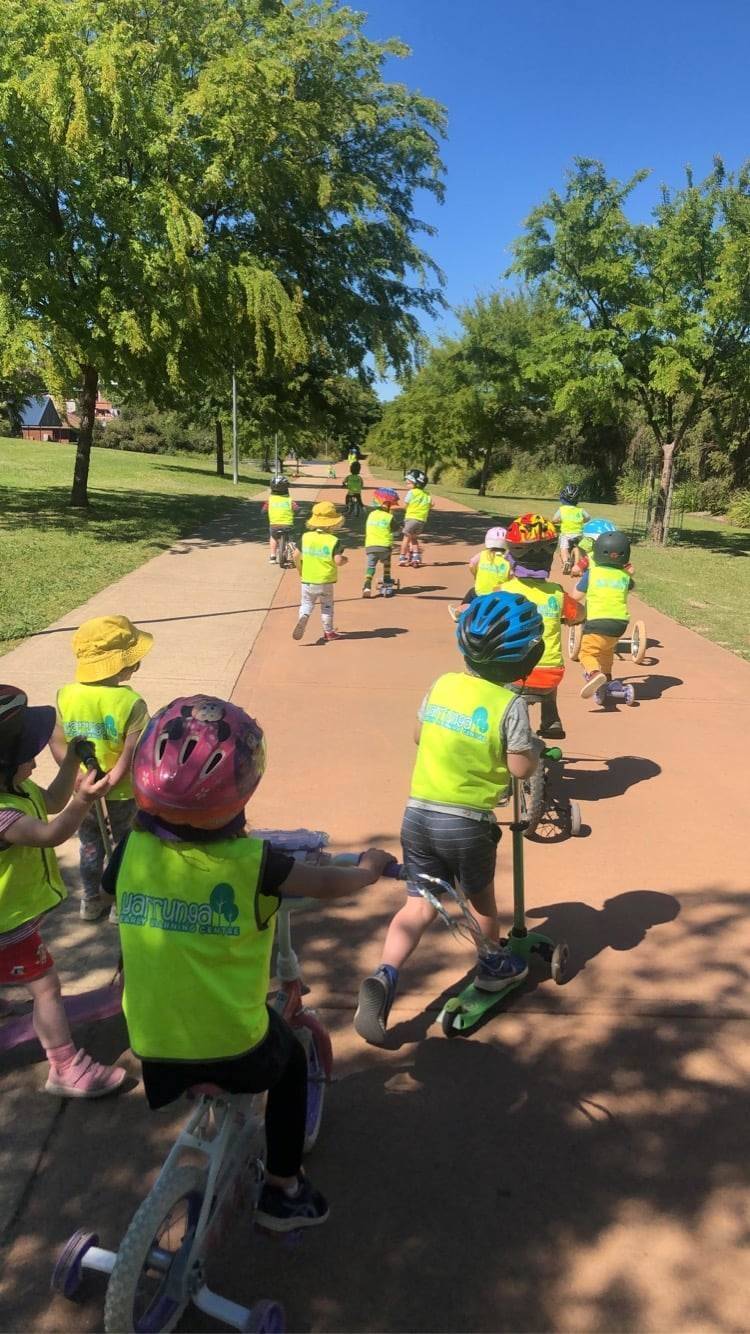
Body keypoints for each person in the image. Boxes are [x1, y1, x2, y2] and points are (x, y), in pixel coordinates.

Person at [101, 694, 394, 1229]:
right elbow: (329, 883)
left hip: (149, 1043)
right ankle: (284, 1190)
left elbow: (109, 892)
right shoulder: (257, 864)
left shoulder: (127, 852)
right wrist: (369, 870)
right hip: (234, 1046)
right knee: (285, 1070)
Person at [354, 592, 545, 1046]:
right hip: (467, 823)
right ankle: (493, 965)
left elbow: (420, 734)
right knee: (481, 906)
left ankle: (385, 973)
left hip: (417, 813)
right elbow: (520, 768)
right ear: (527, 657)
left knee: (418, 902)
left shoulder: (442, 684)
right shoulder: (509, 705)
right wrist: (534, 751)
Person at [0, 685, 126, 1097]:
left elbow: (52, 801)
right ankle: (64, 1067)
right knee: (47, 988)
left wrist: (71, 764)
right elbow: (53, 832)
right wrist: (84, 803)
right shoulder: (3, 814)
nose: (35, 761)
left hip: (12, 917)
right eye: (26, 756)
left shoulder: (15, 791)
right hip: (8, 925)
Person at [50, 615, 152, 921]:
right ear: (121, 664)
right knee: (124, 845)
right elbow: (132, 753)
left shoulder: (66, 694)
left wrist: (77, 777)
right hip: (120, 793)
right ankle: (120, 900)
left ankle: (91, 901)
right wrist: (113, 780)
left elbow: (57, 741)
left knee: (90, 846)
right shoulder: (131, 703)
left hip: (82, 791)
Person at [502, 514, 583, 739]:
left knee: (499, 686)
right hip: (551, 674)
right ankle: (551, 720)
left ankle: (511, 733)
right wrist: (567, 617)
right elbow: (579, 615)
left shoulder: (503, 591)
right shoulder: (557, 593)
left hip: (515, 673)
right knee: (547, 663)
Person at [572, 530, 636, 706]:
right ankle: (607, 679)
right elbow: (630, 585)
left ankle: (594, 674)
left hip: (597, 621)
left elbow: (576, 596)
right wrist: (629, 573)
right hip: (619, 624)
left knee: (587, 652)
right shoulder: (624, 576)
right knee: (607, 650)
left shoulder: (592, 573)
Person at [292, 501, 347, 642]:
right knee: (327, 606)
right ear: (334, 523)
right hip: (325, 581)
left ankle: (304, 616)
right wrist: (345, 559)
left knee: (306, 603)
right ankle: (329, 632)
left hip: (307, 579)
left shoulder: (306, 537)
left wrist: (300, 569)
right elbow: (338, 560)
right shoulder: (334, 540)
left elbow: (295, 555)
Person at [448, 526, 510, 620]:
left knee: (472, 592)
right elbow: (512, 576)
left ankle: (460, 612)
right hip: (499, 596)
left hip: (480, 592)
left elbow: (472, 564)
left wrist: (476, 575)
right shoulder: (508, 560)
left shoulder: (483, 554)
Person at [362, 488, 399, 597]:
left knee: (371, 566)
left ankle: (367, 586)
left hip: (370, 546)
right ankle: (387, 581)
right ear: (387, 504)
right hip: (385, 547)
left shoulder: (371, 514)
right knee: (386, 563)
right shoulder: (389, 517)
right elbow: (396, 530)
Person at [399, 468, 432, 568]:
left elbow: (405, 505)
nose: (406, 484)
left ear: (416, 484)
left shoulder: (412, 493)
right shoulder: (427, 494)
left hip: (411, 518)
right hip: (421, 520)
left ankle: (402, 557)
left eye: (409, 483)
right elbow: (431, 504)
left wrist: (397, 507)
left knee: (406, 538)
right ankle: (416, 557)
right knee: (414, 539)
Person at [262, 475, 299, 564]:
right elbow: (297, 509)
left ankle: (272, 556)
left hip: (274, 525)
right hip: (288, 524)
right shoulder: (289, 500)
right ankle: (292, 552)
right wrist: (295, 513)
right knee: (290, 537)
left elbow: (263, 511)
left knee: (273, 537)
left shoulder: (270, 500)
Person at [553, 484, 590, 570]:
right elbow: (588, 518)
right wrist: (582, 521)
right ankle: (579, 565)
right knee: (580, 548)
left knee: (563, 548)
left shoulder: (562, 509)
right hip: (579, 534)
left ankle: (566, 562)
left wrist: (557, 521)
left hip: (566, 534)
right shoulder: (580, 510)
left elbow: (554, 519)